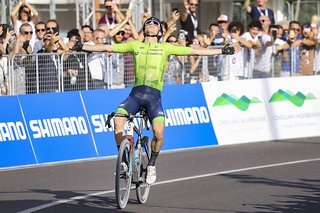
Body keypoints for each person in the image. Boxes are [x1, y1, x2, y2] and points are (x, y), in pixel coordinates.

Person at [79, 17, 238, 185]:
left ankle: (152, 165)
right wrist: (81, 46)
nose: (152, 25)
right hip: (135, 95)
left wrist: (222, 50)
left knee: (159, 133)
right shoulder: (135, 45)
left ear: (160, 31)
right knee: (117, 121)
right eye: (149, 23)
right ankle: (124, 161)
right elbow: (105, 47)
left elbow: (194, 51)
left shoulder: (166, 47)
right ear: (144, 28)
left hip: (154, 98)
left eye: (156, 24)